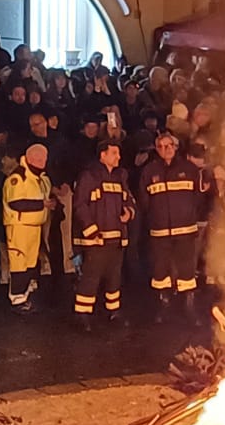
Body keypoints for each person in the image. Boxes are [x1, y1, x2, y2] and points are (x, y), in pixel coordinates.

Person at [140, 130, 207, 312]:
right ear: (156, 149)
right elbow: (144, 201)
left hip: (185, 230)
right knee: (160, 271)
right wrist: (155, 218)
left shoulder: (189, 169)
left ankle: (189, 308)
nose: (166, 149)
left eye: (169, 146)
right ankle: (163, 307)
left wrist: (188, 215)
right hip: (160, 232)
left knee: (187, 271)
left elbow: (198, 198)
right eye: (161, 147)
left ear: (175, 147)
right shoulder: (149, 171)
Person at [70, 140, 132, 326]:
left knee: (114, 277)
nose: (118, 157)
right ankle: (82, 315)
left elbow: (129, 200)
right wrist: (92, 231)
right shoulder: (89, 176)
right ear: (103, 155)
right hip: (96, 239)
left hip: (116, 238)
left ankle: (113, 311)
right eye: (114, 153)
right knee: (91, 277)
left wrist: (129, 212)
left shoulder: (120, 176)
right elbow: (80, 205)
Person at [3, 142, 54, 311]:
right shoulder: (18, 178)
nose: (42, 161)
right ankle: (17, 297)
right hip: (19, 226)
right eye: (38, 158)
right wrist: (43, 204)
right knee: (19, 262)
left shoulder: (41, 179)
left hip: (35, 225)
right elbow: (16, 202)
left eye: (44, 158)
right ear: (29, 158)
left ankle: (24, 293)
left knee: (30, 262)